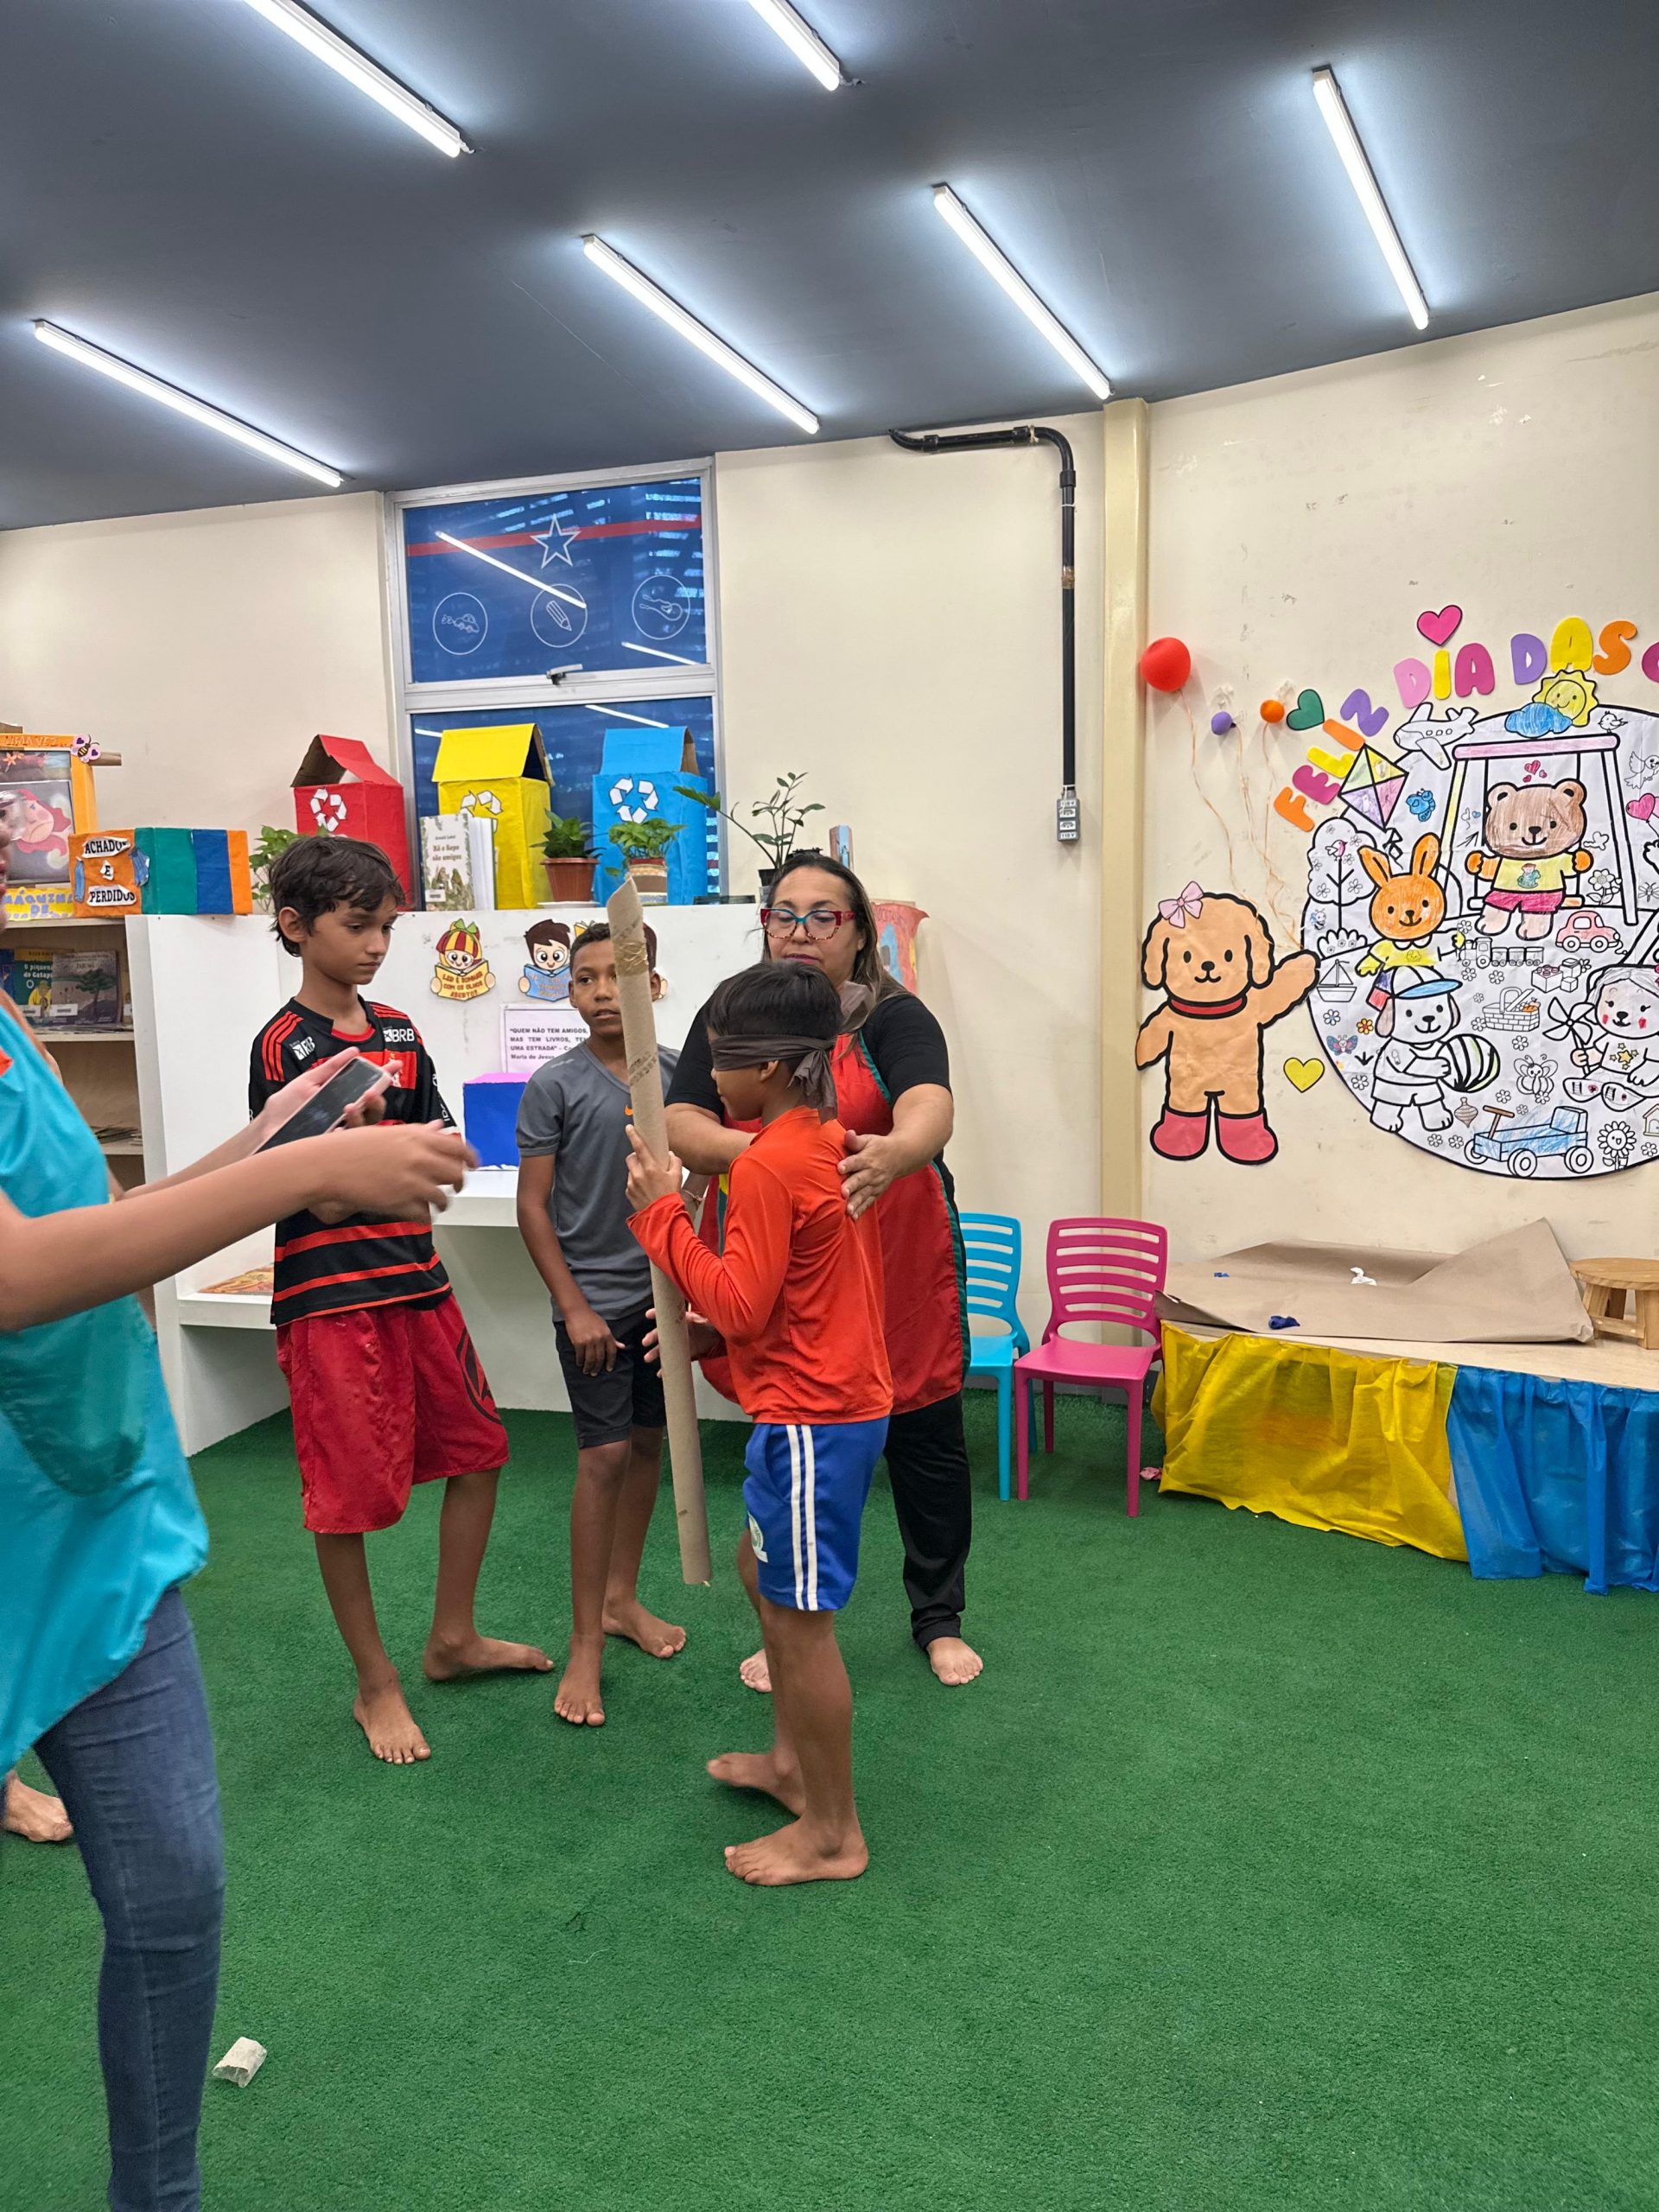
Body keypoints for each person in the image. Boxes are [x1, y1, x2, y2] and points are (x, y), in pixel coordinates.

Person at [0, 809, 477, 2212]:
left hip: (101, 1518)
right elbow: (14, 1277)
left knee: (173, 1895)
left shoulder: (12, 1013)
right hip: (24, 1520)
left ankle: (159, 2197)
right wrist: (303, 1170)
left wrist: (263, 1140)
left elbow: (90, 1226)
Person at [251, 836, 550, 1765]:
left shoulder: (399, 1031)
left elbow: (440, 1152)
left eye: (386, 925)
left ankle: (452, 1638)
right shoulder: (284, 1046)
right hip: (330, 1302)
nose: (377, 944)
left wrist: (396, 1159)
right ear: (296, 927)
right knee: (345, 1500)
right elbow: (314, 1193)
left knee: (481, 1450)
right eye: (357, 925)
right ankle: (374, 1682)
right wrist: (377, 1165)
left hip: (419, 1285)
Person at [665, 850, 982, 1689]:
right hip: (795, 1267)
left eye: (823, 915)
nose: (800, 931)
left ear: (860, 933)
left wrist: (894, 1153)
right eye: (784, 914)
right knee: (794, 1455)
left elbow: (929, 1106)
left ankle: (938, 1616)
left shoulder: (894, 1015)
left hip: (898, 1255)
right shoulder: (738, 1014)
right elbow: (683, 1118)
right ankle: (790, 1627)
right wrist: (778, 1165)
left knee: (925, 1437)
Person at [628, 962, 891, 1886]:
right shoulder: (817, 1140)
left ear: (769, 1068)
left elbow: (742, 1302)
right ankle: (790, 1766)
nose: (709, 1077)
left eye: (718, 1059)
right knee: (757, 1568)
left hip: (818, 1416)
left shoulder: (771, 1163)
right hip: (815, 1401)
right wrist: (712, 1329)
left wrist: (661, 1216)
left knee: (802, 1621)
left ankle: (833, 1834)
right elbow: (788, 1289)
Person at [515, 922, 684, 1727]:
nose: (603, 992)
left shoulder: (679, 1078)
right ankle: (585, 1640)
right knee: (604, 1456)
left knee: (648, 1445)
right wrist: (574, 1306)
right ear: (571, 992)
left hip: (662, 1300)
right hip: (593, 1304)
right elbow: (533, 1206)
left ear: (654, 984)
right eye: (585, 979)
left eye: (620, 975)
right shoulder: (553, 1084)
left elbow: (704, 1183)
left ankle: (622, 1599)